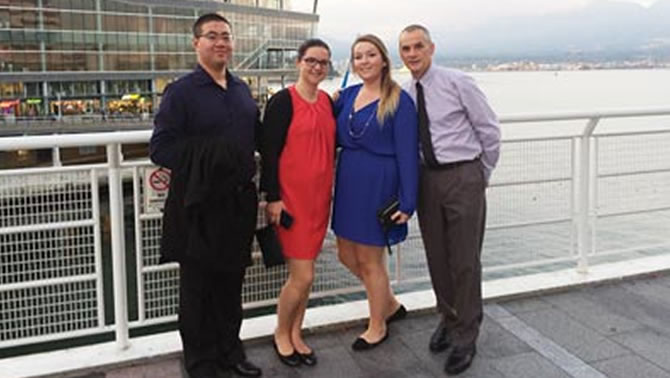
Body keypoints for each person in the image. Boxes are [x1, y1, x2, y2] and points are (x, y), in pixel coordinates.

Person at [150, 13, 262, 378]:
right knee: (197, 290)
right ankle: (200, 363)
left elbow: (259, 139)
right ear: (196, 43)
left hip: (237, 203)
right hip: (198, 206)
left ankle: (232, 353)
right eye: (212, 36)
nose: (221, 43)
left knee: (232, 285)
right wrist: (213, 155)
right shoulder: (181, 92)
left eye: (226, 36)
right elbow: (161, 148)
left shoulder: (242, 90)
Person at [398, 24, 501, 375]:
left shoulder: (458, 82)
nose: (412, 54)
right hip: (427, 180)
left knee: (465, 260)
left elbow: (488, 129)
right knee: (437, 257)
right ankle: (449, 317)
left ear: (431, 48)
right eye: (405, 49)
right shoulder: (406, 92)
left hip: (463, 176)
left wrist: (479, 175)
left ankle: (466, 335)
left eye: (417, 46)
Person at [332, 34, 419, 351]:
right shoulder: (346, 96)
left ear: (383, 60)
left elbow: (409, 154)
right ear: (352, 64)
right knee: (344, 253)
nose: (364, 61)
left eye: (370, 54)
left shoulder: (399, 100)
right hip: (348, 184)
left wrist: (408, 201)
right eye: (358, 56)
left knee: (372, 261)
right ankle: (391, 304)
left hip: (380, 183)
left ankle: (377, 325)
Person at [260, 38, 335, 368]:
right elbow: (270, 153)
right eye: (311, 61)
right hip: (292, 202)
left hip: (320, 202)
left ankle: (296, 333)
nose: (317, 67)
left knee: (308, 273)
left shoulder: (328, 103)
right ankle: (281, 332)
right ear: (299, 63)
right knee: (302, 276)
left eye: (323, 62)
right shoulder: (282, 101)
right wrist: (273, 198)